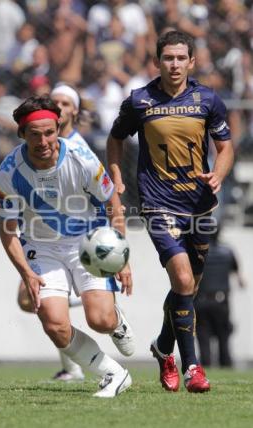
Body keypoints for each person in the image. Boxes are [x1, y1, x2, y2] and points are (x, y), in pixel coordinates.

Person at [107, 30, 234, 393]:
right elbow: (115, 138)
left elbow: (225, 148)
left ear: (191, 62)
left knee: (188, 287)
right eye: (168, 58)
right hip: (158, 202)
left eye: (181, 58)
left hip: (200, 204)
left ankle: (163, 348)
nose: (174, 64)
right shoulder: (140, 101)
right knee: (181, 280)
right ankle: (192, 366)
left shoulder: (207, 100)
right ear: (157, 61)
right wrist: (116, 174)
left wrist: (219, 174)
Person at [0, 94, 134, 398]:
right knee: (55, 324)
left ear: (58, 128)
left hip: (88, 243)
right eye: (35, 134)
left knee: (100, 320)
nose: (44, 141)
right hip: (42, 248)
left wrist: (121, 257)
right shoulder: (8, 172)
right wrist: (27, 274)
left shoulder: (81, 158)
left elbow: (113, 203)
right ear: (22, 134)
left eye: (49, 132)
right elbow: (8, 231)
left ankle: (117, 320)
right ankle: (113, 374)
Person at [17, 84, 91, 382]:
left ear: (74, 111)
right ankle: (72, 365)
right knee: (29, 301)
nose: (60, 106)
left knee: (34, 300)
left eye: (66, 102)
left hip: (72, 239)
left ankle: (74, 366)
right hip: (41, 237)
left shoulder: (77, 149)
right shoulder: (41, 141)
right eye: (56, 101)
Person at [194, 226, 245, 367]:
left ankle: (205, 371)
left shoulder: (198, 252)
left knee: (203, 340)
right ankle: (226, 366)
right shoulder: (228, 251)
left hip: (201, 301)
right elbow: (240, 279)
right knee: (224, 339)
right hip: (221, 301)